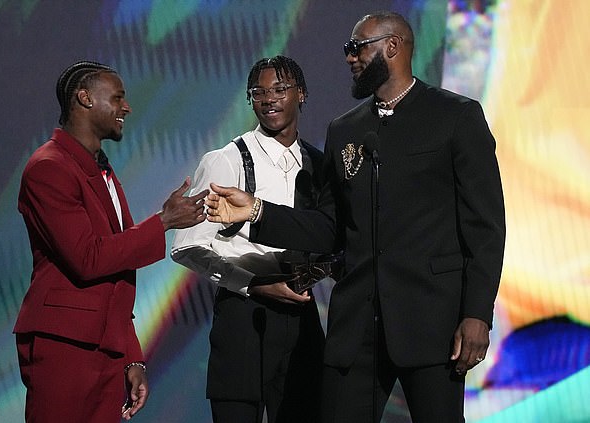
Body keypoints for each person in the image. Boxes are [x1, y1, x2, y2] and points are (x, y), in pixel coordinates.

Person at [205, 12, 505, 423]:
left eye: (357, 47)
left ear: (393, 47)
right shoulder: (345, 129)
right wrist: (256, 212)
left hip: (431, 322)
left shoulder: (456, 117)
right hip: (357, 328)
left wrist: (476, 314)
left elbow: (486, 227)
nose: (349, 58)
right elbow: (329, 227)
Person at [14, 60, 208, 423]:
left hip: (104, 350)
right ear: (84, 98)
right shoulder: (49, 167)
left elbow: (116, 273)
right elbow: (87, 258)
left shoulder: (99, 168)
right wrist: (163, 221)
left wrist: (130, 355)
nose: (127, 107)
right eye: (117, 97)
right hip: (64, 347)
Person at [171, 55, 325, 423]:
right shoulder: (227, 160)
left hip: (302, 318)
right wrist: (252, 284)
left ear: (301, 94)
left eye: (280, 89)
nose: (269, 99)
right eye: (259, 92)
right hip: (244, 318)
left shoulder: (319, 165)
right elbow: (187, 246)